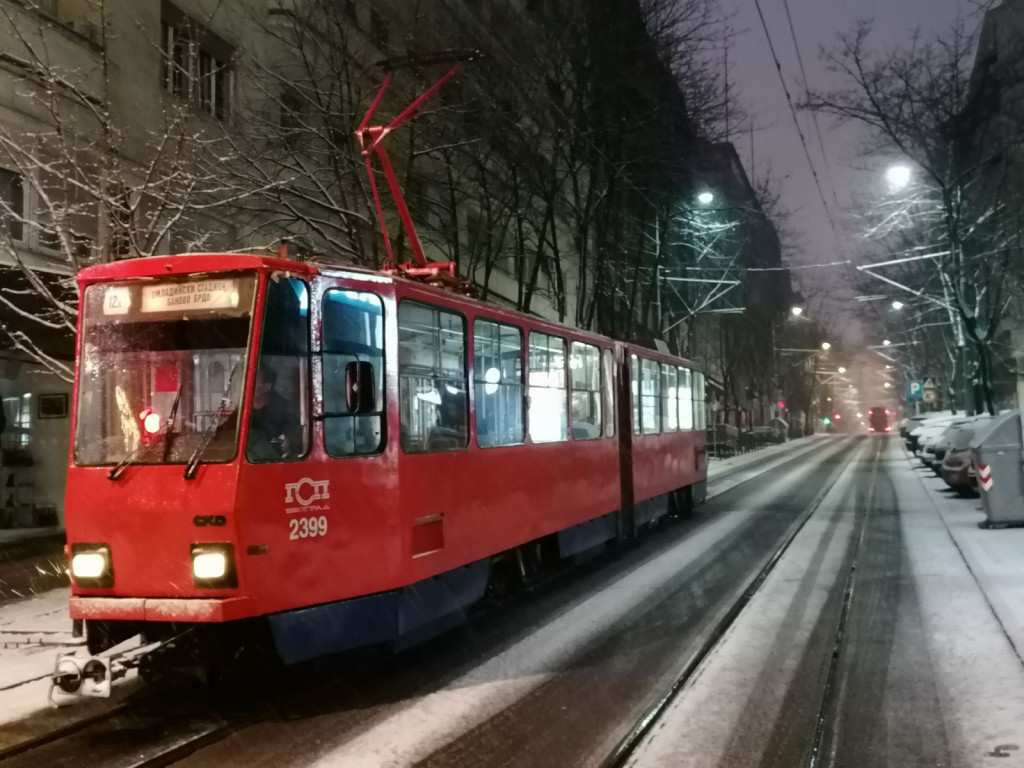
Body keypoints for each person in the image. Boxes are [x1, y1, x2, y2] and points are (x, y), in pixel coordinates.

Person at [247, 365, 298, 460]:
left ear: (268, 386)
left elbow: (292, 430)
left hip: (271, 459)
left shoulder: (283, 407)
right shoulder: (244, 405)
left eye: (256, 379)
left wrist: (288, 439)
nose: (249, 383)